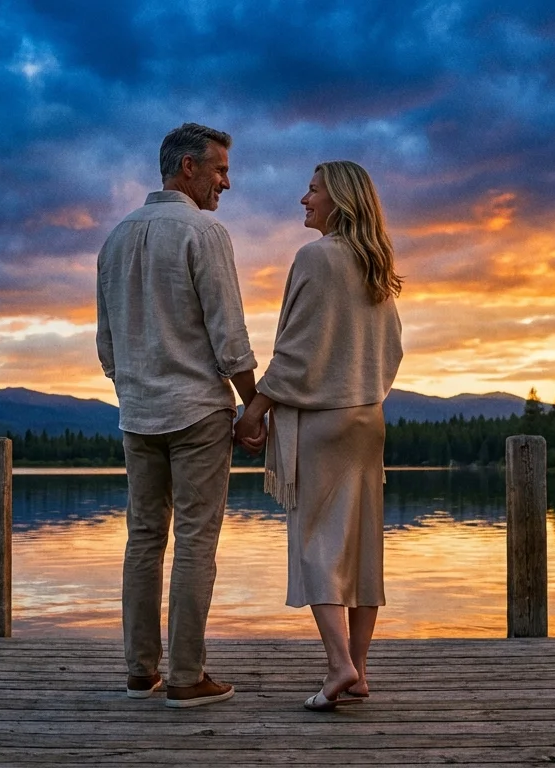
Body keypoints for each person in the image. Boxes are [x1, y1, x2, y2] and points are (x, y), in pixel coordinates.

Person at [96, 123, 259, 708]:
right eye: (219, 169)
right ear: (187, 168)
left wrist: (136, 388)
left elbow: (106, 346)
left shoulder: (114, 240)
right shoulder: (203, 231)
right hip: (196, 414)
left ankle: (141, 671)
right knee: (194, 540)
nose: (227, 182)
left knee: (143, 538)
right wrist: (251, 403)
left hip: (137, 415)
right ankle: (187, 677)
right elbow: (229, 333)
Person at [237, 160, 404, 711]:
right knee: (360, 546)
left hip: (323, 421)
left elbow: (297, 351)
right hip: (367, 418)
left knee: (315, 544)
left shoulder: (316, 258)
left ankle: (338, 666)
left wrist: (254, 410)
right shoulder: (375, 263)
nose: (303, 200)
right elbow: (394, 350)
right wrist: (364, 387)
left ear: (338, 200)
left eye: (312, 191)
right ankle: (359, 670)